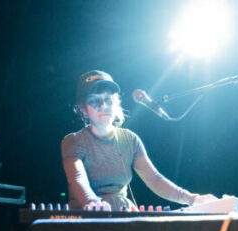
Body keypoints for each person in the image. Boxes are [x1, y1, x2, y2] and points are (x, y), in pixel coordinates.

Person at [61, 70, 217, 211]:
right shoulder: (73, 141)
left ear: (116, 103)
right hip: (87, 216)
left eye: (108, 99)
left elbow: (154, 180)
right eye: (94, 101)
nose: (103, 105)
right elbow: (77, 179)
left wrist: (193, 199)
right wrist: (93, 203)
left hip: (124, 214)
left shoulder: (130, 139)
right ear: (83, 109)